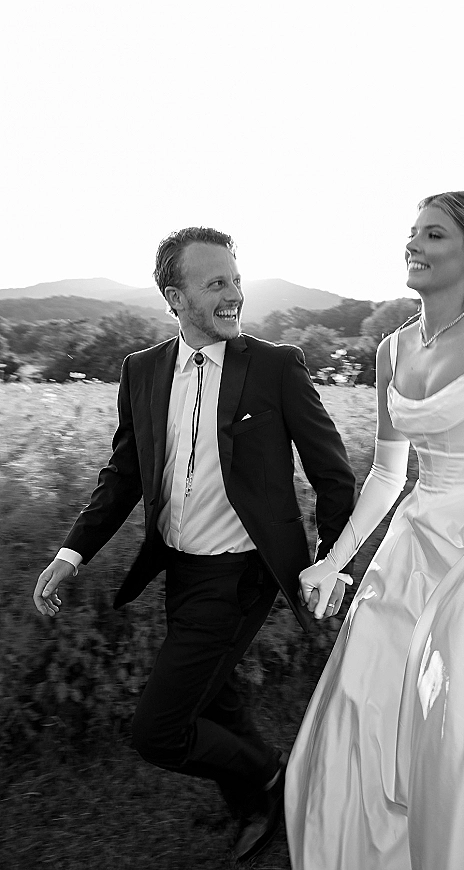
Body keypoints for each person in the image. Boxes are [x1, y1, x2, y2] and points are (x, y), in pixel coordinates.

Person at [32, 226, 356, 863]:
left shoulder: (275, 366)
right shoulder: (143, 370)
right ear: (173, 297)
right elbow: (125, 472)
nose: (234, 293)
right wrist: (71, 553)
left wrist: (330, 564)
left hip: (241, 575)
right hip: (178, 569)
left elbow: (332, 473)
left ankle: (271, 779)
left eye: (236, 279)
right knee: (217, 695)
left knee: (158, 731)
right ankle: (257, 808)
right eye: (215, 283)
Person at [285, 191, 464, 870]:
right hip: (413, 548)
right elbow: (389, 475)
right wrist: (336, 561)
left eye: (434, 235)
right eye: (412, 233)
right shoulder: (391, 349)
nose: (414, 245)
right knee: (373, 701)